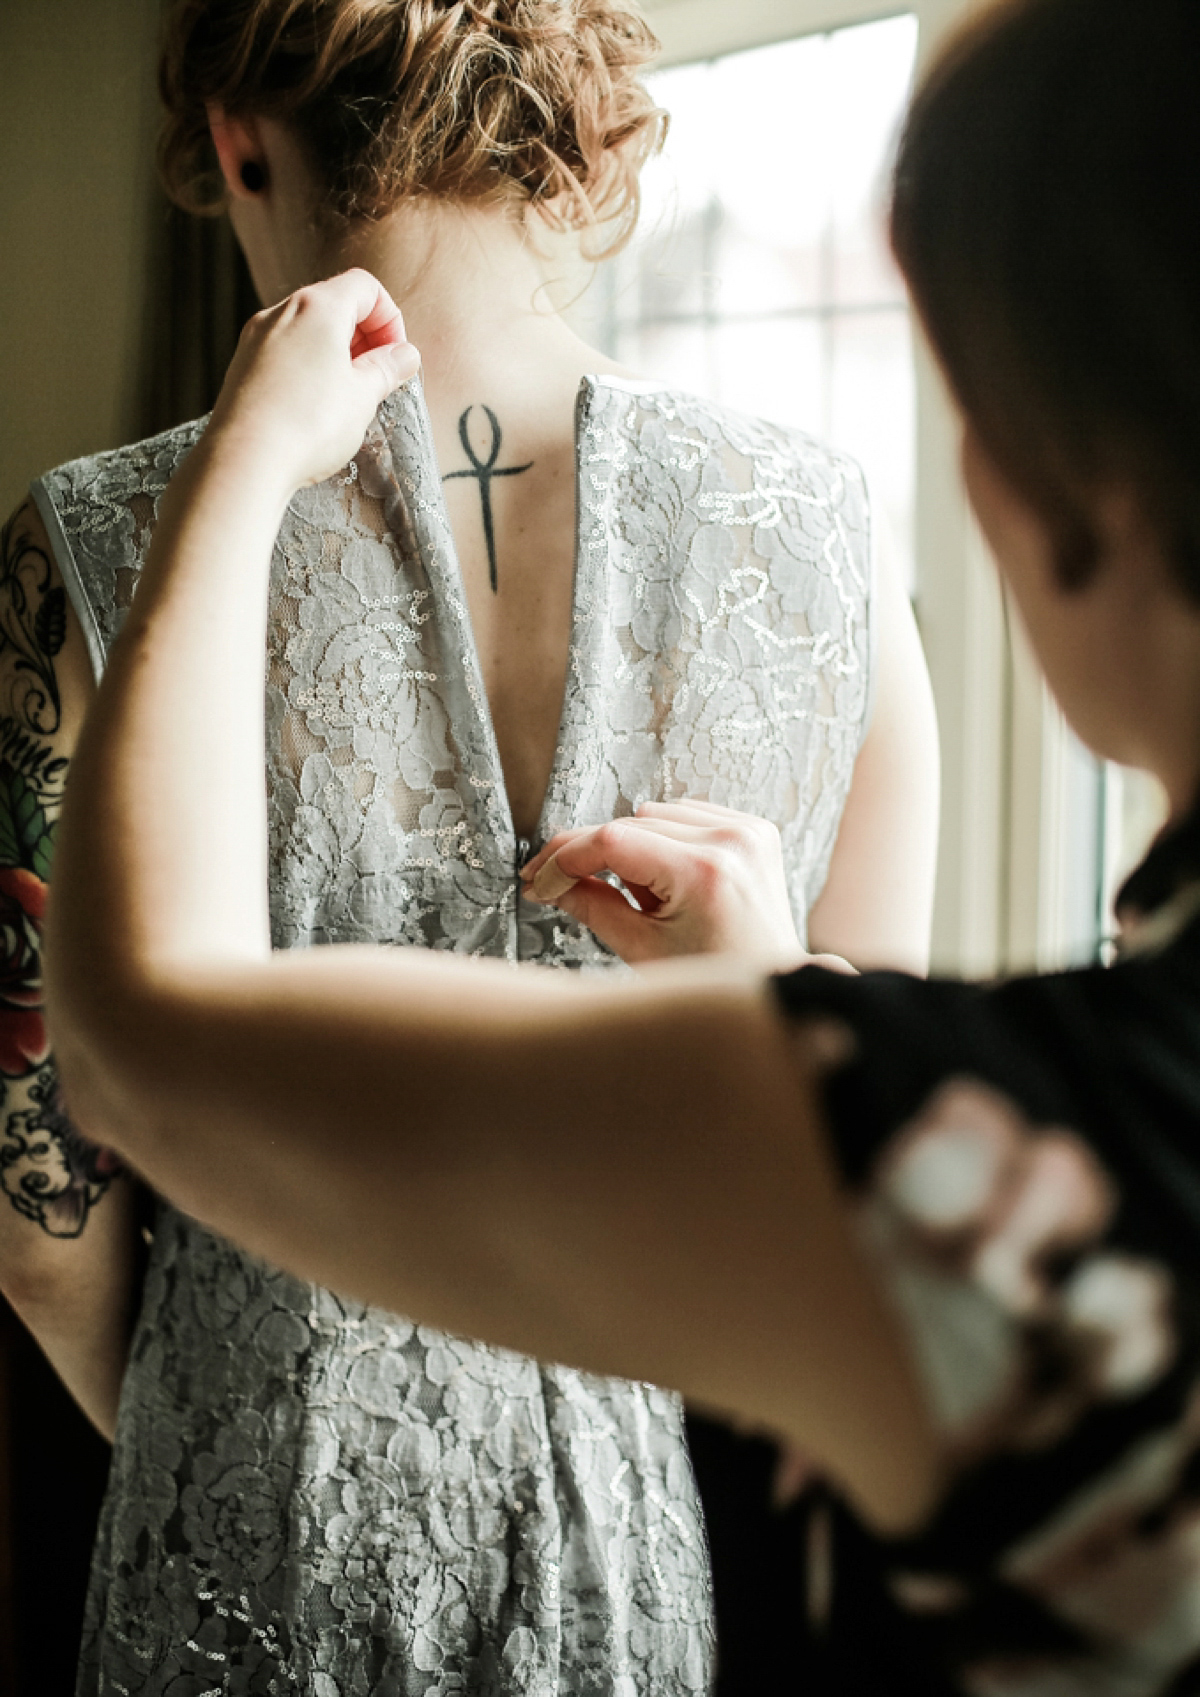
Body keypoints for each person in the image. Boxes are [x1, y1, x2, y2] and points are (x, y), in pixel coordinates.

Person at [43, 0, 1200, 1690]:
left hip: (248, 1522)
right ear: (580, 142)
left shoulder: (1040, 1128)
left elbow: (98, 1095)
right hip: (658, 1560)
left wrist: (234, 483)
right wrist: (806, 1008)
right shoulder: (825, 534)